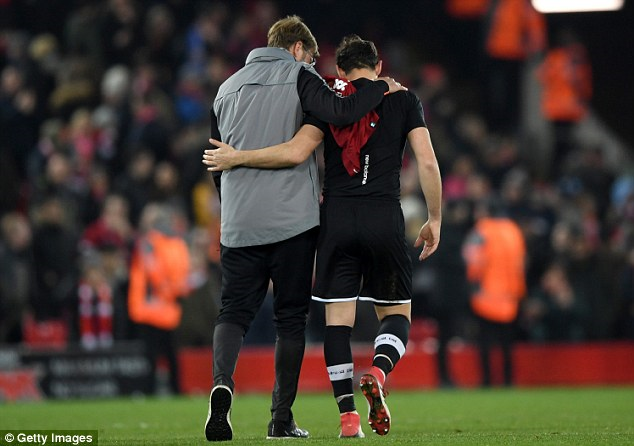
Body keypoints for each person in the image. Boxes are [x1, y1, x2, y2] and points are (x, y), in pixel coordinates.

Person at [204, 34, 441, 439]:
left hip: (336, 220)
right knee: (395, 314)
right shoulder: (404, 100)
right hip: (383, 216)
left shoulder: (326, 102)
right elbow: (428, 163)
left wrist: (235, 159)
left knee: (336, 322)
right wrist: (434, 217)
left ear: (340, 70)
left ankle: (348, 418)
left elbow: (297, 150)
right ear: (378, 66)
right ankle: (378, 373)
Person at [127, 203, 191, 395]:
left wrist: (167, 289)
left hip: (153, 307)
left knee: (155, 356)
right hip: (162, 307)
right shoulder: (176, 244)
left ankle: (151, 391)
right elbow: (178, 276)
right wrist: (170, 290)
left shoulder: (151, 242)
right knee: (167, 355)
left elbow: (154, 269)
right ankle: (173, 390)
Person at [462, 196, 526, 387]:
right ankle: (508, 380)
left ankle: (487, 380)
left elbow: (473, 260)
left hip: (486, 296)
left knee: (485, 341)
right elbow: (521, 262)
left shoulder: (481, 230)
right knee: (507, 343)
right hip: (510, 296)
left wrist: (472, 285)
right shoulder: (514, 230)